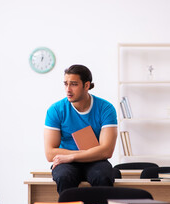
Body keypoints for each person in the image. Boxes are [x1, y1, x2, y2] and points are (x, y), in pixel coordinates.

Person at [44, 64, 118, 194]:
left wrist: (72, 156)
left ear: (87, 85)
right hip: (66, 163)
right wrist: (83, 155)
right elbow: (50, 153)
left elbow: (106, 151)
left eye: (73, 84)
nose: (68, 89)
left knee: (103, 176)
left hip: (94, 161)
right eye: (65, 84)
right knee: (63, 176)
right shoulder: (55, 110)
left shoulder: (106, 109)